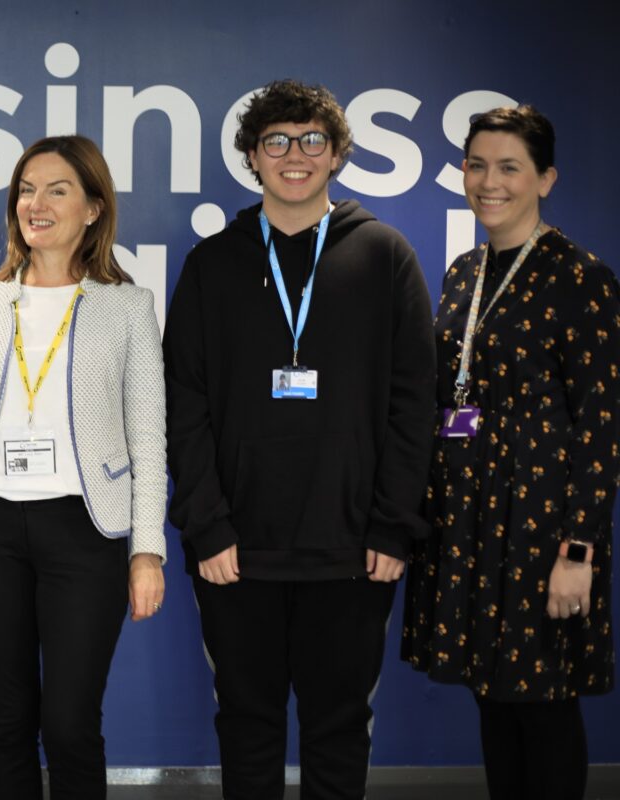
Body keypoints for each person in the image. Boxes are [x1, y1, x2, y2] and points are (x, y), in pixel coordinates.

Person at [163, 80, 436, 799]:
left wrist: (392, 524)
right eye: (277, 141)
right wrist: (207, 525)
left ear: (338, 153)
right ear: (253, 157)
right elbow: (183, 405)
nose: (295, 155)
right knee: (247, 725)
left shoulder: (384, 256)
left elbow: (416, 403)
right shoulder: (212, 263)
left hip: (353, 551)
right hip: (235, 552)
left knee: (338, 727)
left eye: (312, 140)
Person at [0, 135, 166, 799]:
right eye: (27, 189)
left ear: (93, 208)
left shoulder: (128, 307)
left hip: (87, 531)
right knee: (7, 715)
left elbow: (149, 435)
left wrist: (148, 552)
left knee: (69, 722)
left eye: (58, 189)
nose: (37, 202)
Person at [403, 105, 618, 800]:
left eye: (508, 168)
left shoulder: (582, 278)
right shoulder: (464, 273)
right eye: (476, 165)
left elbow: (601, 428)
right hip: (468, 525)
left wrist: (577, 552)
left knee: (543, 703)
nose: (488, 182)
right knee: (492, 697)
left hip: (541, 529)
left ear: (545, 179)